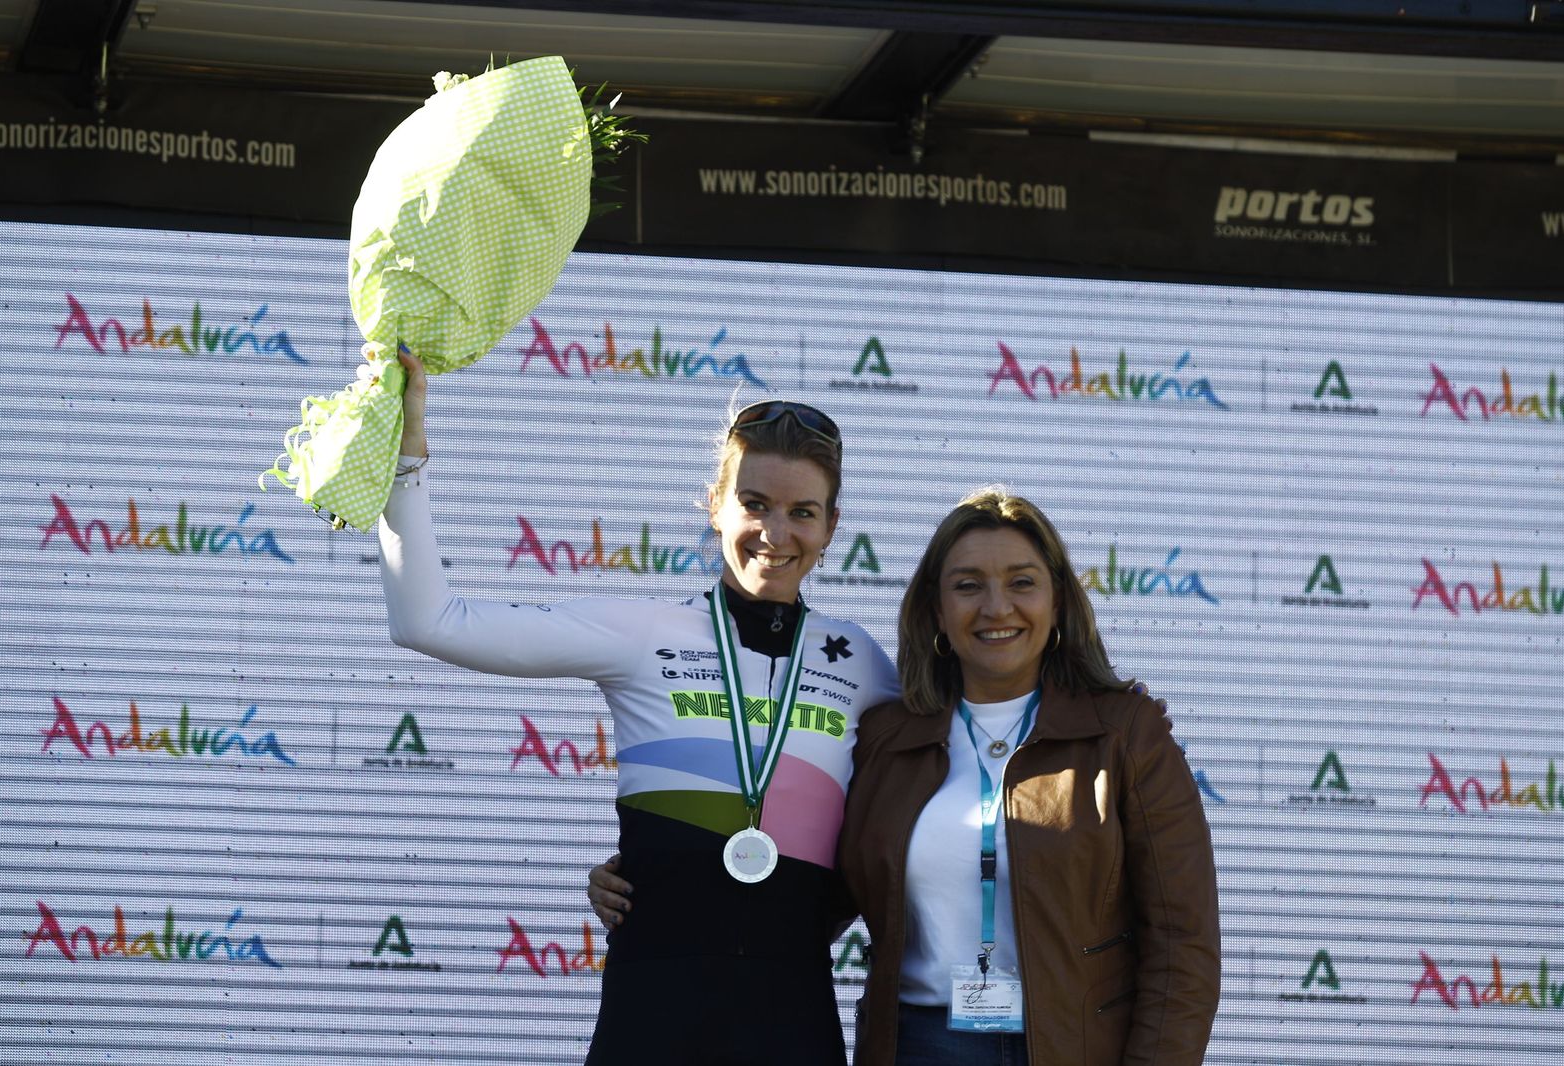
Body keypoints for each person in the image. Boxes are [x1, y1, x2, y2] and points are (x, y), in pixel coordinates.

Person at [380, 350, 899, 1066]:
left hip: (794, 1019)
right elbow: (429, 622)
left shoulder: (862, 662)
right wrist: (406, 457)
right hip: (654, 1014)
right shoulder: (645, 633)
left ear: (831, 526)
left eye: (801, 512)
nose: (775, 534)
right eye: (753, 504)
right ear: (714, 503)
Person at [592, 487, 1220, 1066]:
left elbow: (1182, 942)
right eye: (968, 585)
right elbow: (808, 893)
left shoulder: (1125, 734)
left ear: (1057, 599)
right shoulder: (889, 737)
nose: (996, 607)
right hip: (916, 1046)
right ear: (936, 610)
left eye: (1021, 582)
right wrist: (663, 881)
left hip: (1073, 1047)